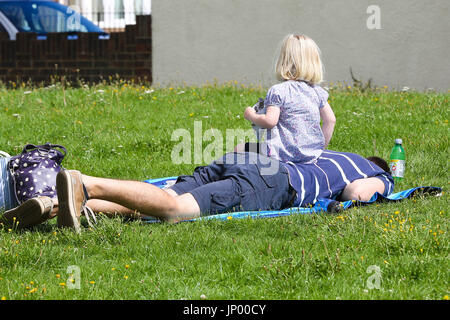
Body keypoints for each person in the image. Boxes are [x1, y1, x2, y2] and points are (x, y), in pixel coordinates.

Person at [0, 150, 393, 232]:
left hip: (247, 160)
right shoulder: (376, 171)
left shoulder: (332, 151)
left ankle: (54, 205)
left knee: (151, 203)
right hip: (272, 184)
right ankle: (86, 184)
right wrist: (380, 188)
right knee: (173, 209)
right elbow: (358, 192)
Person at [236, 34, 336, 163]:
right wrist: (319, 149)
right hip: (310, 155)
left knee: (239, 148)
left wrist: (251, 115)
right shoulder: (317, 92)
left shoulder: (279, 91)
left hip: (281, 154)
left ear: (283, 61)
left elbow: (270, 121)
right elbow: (331, 120)